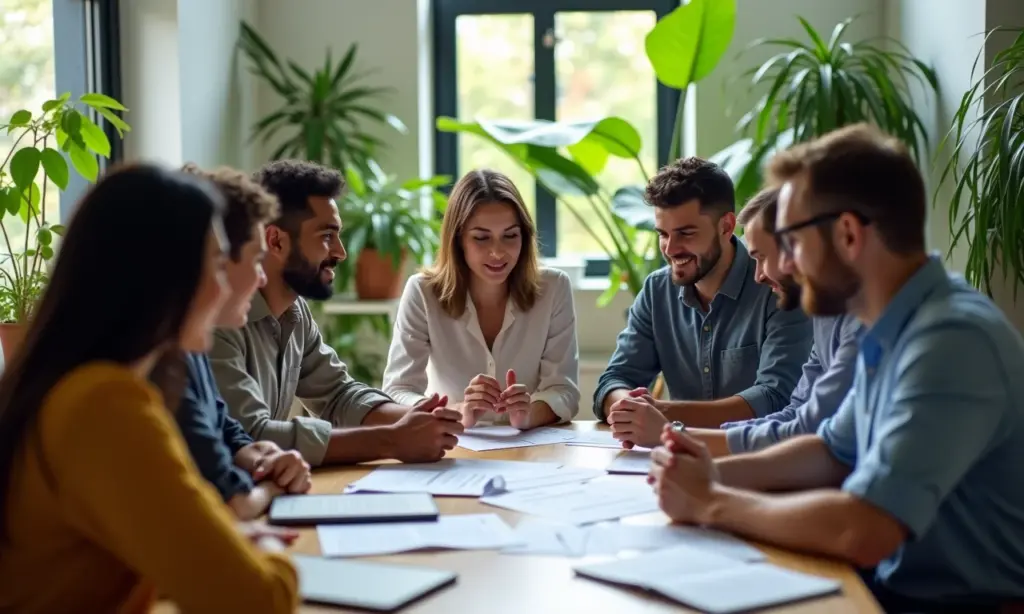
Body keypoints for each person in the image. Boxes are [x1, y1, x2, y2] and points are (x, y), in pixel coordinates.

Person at [649, 123, 1024, 612]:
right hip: (892, 589)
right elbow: (830, 452)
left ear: (847, 234)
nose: (786, 264)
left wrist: (710, 501)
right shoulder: (887, 326)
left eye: (795, 241)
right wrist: (710, 472)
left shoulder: (951, 340)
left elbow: (865, 528)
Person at [0, 164, 298, 613]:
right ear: (164, 278)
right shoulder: (105, 405)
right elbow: (259, 602)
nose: (226, 286)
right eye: (219, 264)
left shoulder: (66, 386)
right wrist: (268, 548)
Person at [210, 160, 463, 467]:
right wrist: (392, 440)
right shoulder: (217, 320)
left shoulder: (294, 312)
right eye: (326, 236)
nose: (341, 252)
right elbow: (250, 435)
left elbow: (338, 394)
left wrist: (418, 418)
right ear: (275, 241)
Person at [598, 157, 812, 443]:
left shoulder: (777, 285)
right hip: (673, 458)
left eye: (686, 233)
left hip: (757, 455)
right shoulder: (656, 291)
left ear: (726, 227)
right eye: (663, 234)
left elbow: (775, 397)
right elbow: (613, 381)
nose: (671, 249)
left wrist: (662, 415)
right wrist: (628, 407)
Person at [382, 169, 579, 430]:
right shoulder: (422, 292)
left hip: (529, 450)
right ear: (458, 240)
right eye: (481, 238)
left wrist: (528, 414)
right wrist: (458, 411)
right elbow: (398, 392)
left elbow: (563, 389)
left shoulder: (554, 287)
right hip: (452, 448)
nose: (497, 252)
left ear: (524, 236)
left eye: (510, 236)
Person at [673, 186, 859, 456]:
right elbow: (796, 413)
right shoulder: (825, 316)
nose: (758, 276)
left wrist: (682, 435)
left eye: (762, 257)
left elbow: (808, 427)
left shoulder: (860, 322)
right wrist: (689, 438)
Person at [177, 163, 312, 520]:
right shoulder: (158, 373)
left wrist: (262, 457)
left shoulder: (191, 351)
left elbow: (228, 433)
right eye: (254, 260)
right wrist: (273, 486)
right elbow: (231, 501)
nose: (263, 277)